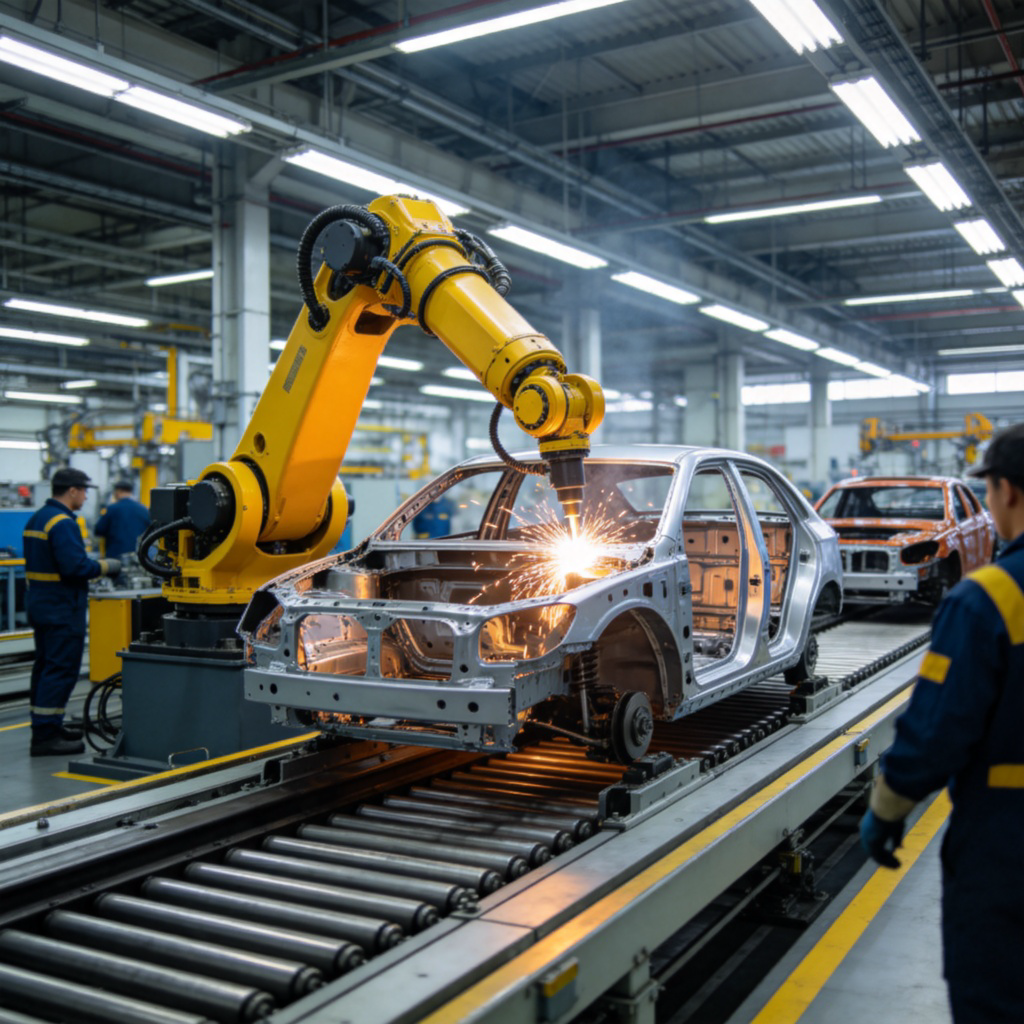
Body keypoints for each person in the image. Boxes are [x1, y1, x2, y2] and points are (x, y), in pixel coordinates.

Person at [859, 421, 1024, 1023]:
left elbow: (935, 734)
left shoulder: (989, 599)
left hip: (1007, 847)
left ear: (1005, 491)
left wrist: (886, 809)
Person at [23, 468, 121, 757]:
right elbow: (75, 567)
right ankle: (45, 737)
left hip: (42, 606)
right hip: (62, 609)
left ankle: (46, 724)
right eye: (84, 490)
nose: (86, 496)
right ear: (73, 491)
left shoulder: (38, 517)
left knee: (45, 668)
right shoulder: (63, 522)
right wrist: (107, 566)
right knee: (60, 670)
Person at [94, 479, 150, 561]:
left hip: (115, 556)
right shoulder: (144, 509)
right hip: (139, 556)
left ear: (118, 491)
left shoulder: (112, 509)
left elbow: (99, 530)